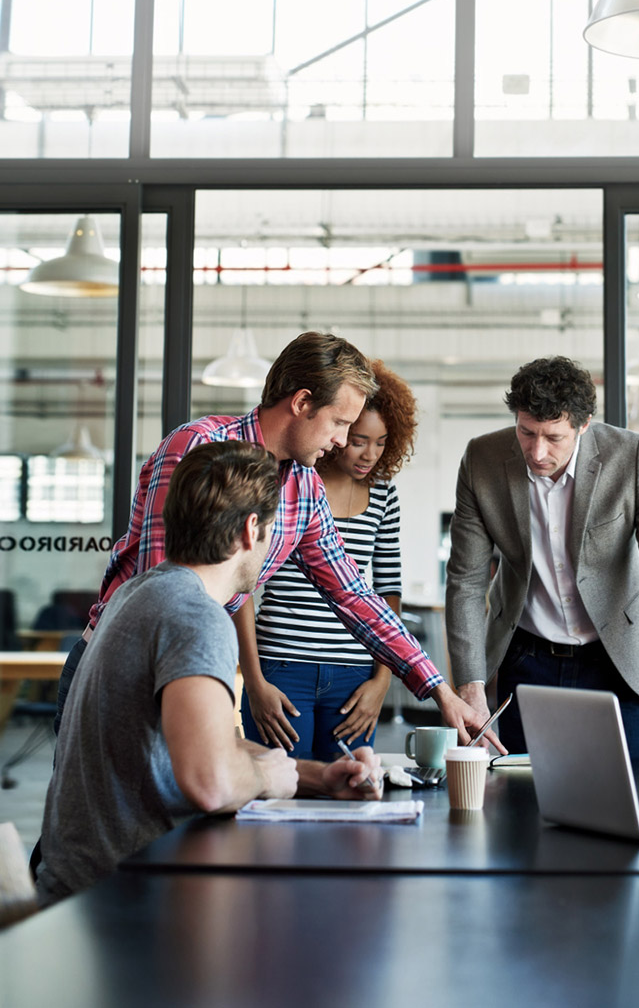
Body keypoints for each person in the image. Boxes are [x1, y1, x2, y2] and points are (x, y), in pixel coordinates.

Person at [55, 332, 490, 747]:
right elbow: (161, 587)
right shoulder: (199, 446)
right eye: (339, 422)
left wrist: (439, 690)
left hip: (194, 674)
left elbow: (353, 593)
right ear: (302, 402)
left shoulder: (304, 487)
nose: (341, 441)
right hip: (121, 668)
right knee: (92, 821)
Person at [36, 441, 383, 906]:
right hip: (122, 904)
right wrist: (266, 781)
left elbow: (203, 739)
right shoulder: (196, 617)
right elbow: (210, 781)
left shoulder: (140, 593)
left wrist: (317, 777)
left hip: (88, 887)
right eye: (273, 530)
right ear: (249, 530)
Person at [445, 355, 639, 764]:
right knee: (523, 801)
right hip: (527, 659)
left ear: (583, 425)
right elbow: (466, 580)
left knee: (627, 799)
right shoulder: (482, 459)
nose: (538, 451)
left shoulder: (631, 457)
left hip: (618, 659)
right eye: (526, 432)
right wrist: (470, 684)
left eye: (553, 437)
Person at [239, 361, 416, 759]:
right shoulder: (290, 483)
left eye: (382, 442)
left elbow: (385, 591)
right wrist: (253, 680)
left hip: (354, 678)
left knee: (351, 797)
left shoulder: (384, 496)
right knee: (278, 796)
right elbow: (242, 584)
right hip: (282, 667)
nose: (370, 454)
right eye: (357, 438)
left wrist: (382, 682)